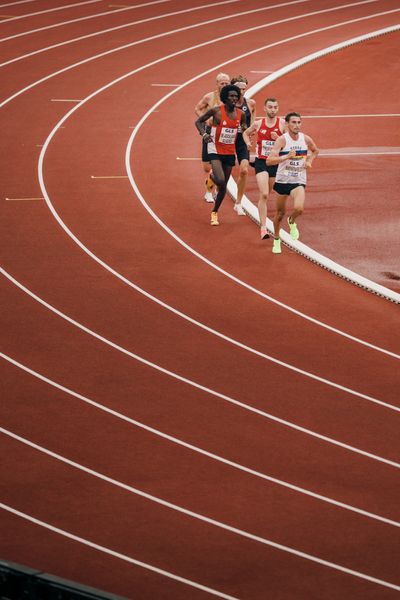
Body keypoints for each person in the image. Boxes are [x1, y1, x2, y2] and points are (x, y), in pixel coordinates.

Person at [195, 84, 247, 225]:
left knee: (223, 186)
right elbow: (198, 121)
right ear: (225, 97)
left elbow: (244, 128)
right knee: (222, 180)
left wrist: (246, 132)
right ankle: (213, 178)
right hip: (215, 149)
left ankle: (215, 211)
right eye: (231, 96)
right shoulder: (216, 111)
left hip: (229, 151)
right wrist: (204, 133)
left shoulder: (241, 114)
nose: (234, 98)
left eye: (236, 96)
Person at [267, 112, 319, 253]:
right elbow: (269, 160)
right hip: (282, 180)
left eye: (299, 122)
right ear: (287, 124)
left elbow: (315, 151)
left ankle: (292, 220)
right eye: (294, 122)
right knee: (279, 214)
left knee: (299, 208)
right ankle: (277, 240)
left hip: (298, 180)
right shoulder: (282, 140)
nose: (297, 125)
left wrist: (309, 161)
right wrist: (285, 157)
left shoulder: (305, 139)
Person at [243, 97, 285, 239]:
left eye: (275, 107)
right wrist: (248, 143)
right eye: (270, 107)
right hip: (261, 162)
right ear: (265, 109)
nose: (273, 109)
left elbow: (289, 143)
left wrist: (278, 137)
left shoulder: (282, 124)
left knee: (268, 193)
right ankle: (263, 228)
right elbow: (245, 133)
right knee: (265, 194)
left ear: (277, 109)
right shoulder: (258, 124)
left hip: (275, 163)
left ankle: (265, 223)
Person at [195, 73, 230, 202]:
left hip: (225, 136)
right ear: (217, 84)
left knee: (218, 165)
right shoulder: (209, 97)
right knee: (207, 167)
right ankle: (211, 180)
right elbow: (197, 109)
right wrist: (206, 119)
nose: (225, 85)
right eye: (222, 83)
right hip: (209, 134)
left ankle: (209, 192)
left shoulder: (232, 97)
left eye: (227, 83)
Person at [230, 75, 256, 216]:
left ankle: (238, 203)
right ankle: (211, 187)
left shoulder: (250, 103)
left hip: (241, 140)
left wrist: (250, 130)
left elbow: (253, 116)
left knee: (244, 170)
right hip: (227, 140)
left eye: (244, 89)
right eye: (239, 89)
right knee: (219, 173)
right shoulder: (226, 104)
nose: (242, 92)